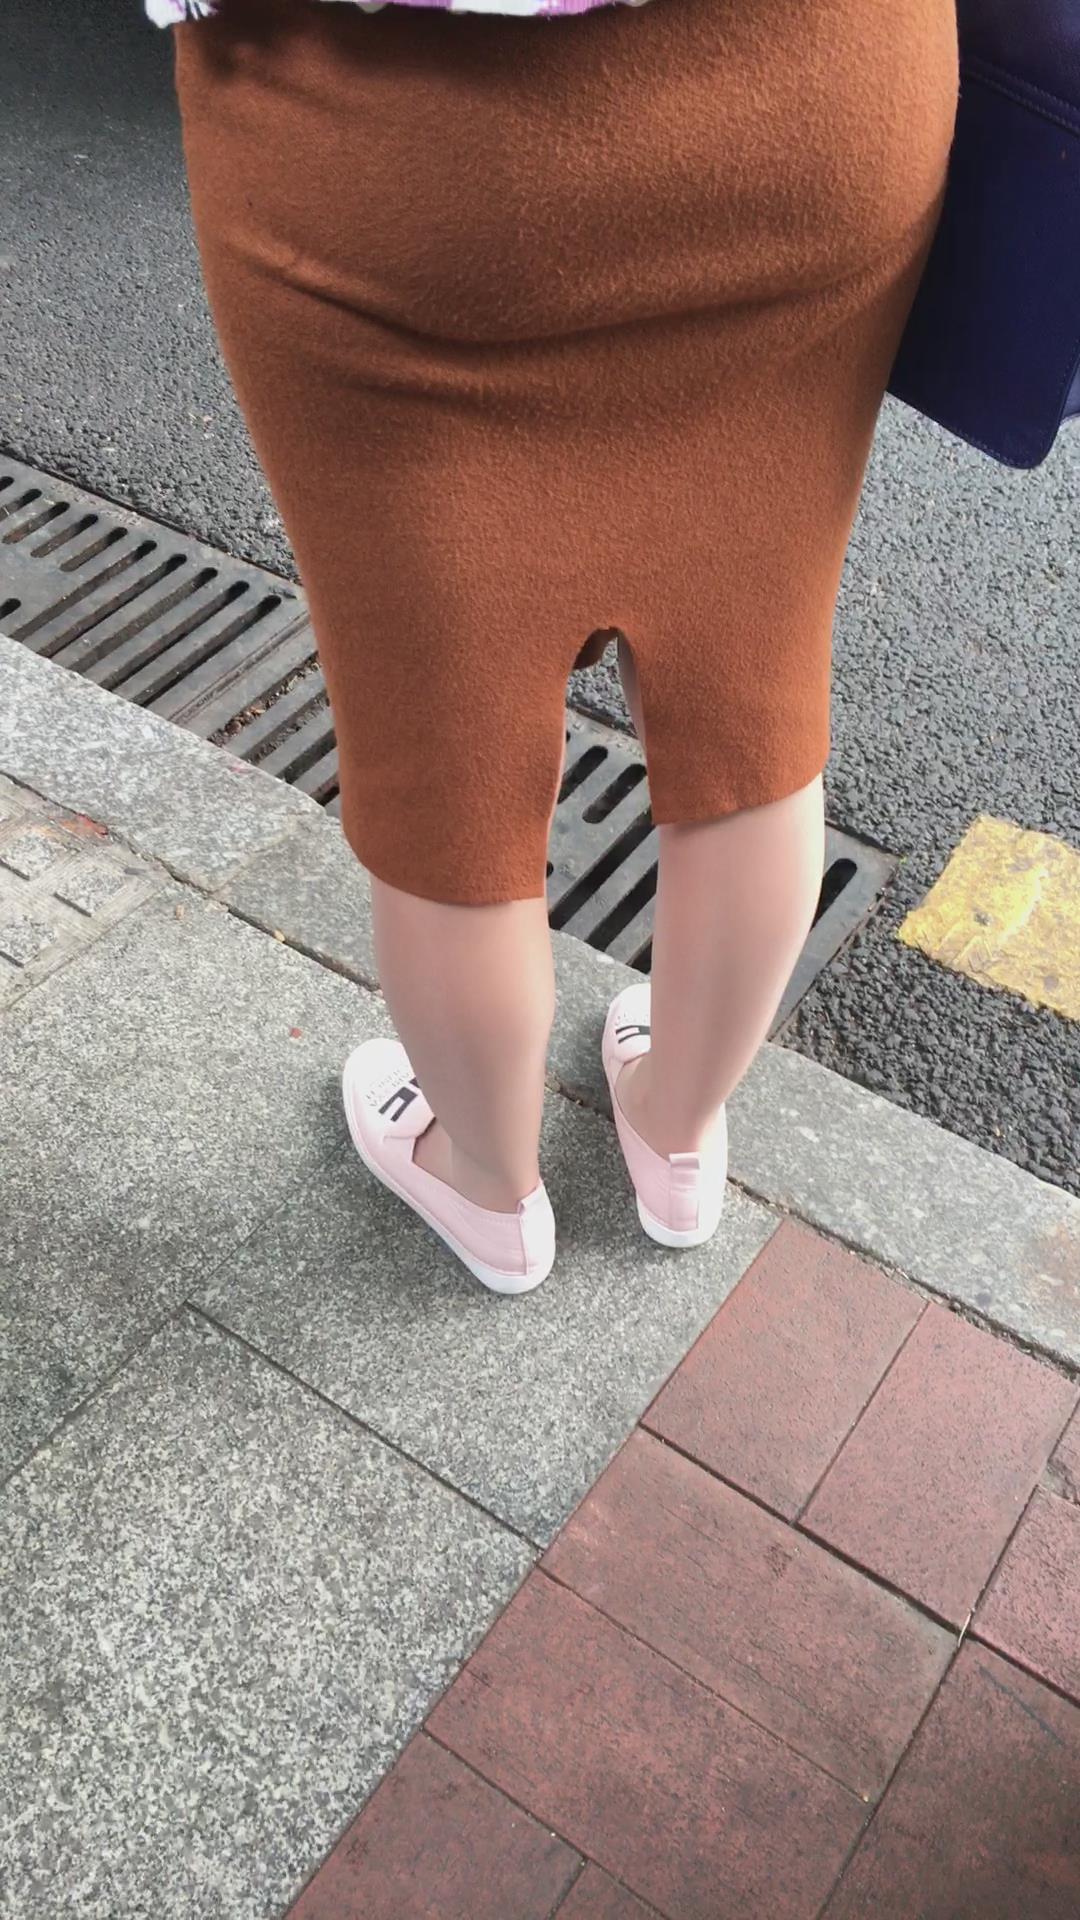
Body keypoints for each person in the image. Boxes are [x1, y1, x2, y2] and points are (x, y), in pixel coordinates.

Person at [160, 0, 958, 1293]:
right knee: (751, 699)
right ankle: (678, 1132)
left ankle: (487, 1185)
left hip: (406, 153)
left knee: (446, 758)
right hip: (812, 99)